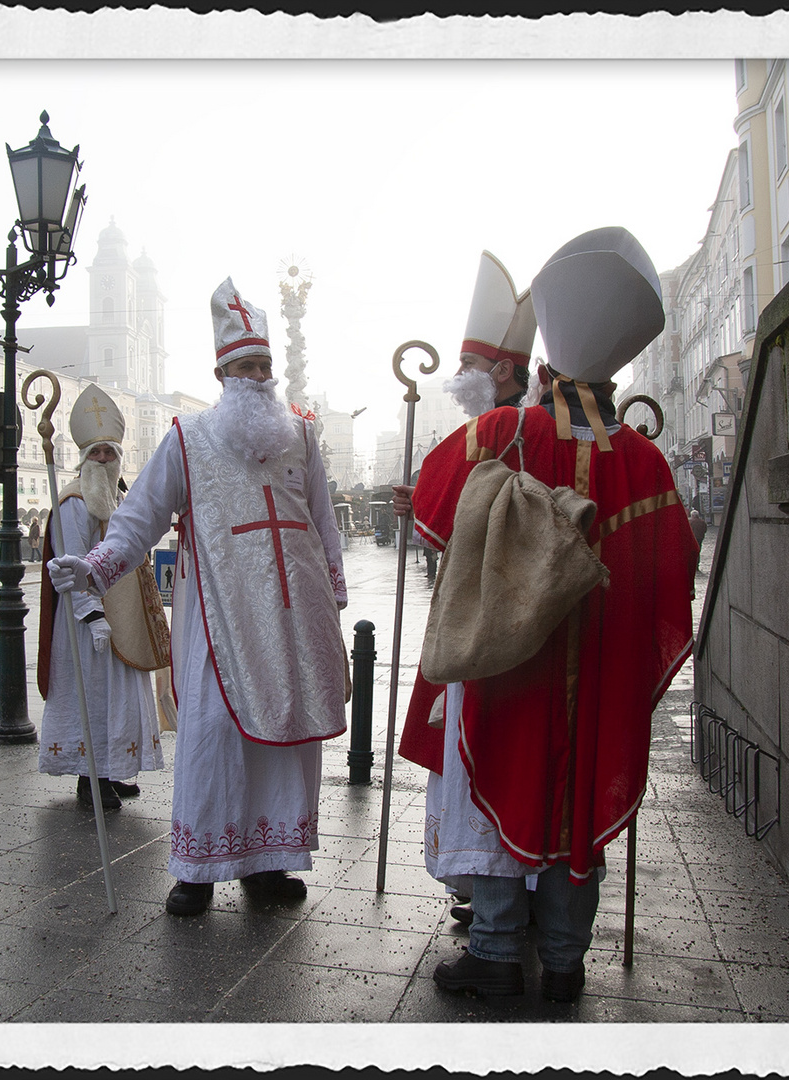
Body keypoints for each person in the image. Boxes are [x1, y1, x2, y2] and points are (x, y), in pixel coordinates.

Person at [401, 228, 696, 1002]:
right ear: (613, 370)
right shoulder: (645, 461)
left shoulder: (500, 434)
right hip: (595, 669)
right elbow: (673, 574)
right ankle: (564, 961)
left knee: (497, 779)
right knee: (577, 793)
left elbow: (432, 517)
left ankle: (498, 950)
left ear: (541, 368)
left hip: (507, 662)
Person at [49, 277, 350, 917]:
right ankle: (198, 871)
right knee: (214, 733)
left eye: (265, 366)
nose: (259, 376)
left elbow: (323, 519)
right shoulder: (189, 437)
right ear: (222, 373)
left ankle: (270, 863)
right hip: (220, 619)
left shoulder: (301, 436)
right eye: (246, 366)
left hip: (295, 621)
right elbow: (140, 515)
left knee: (286, 742)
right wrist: (97, 566)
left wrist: (334, 590)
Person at [392, 251, 540, 931]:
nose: (460, 380)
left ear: (504, 371)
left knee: (474, 752)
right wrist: (420, 498)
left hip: (482, 623)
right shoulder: (544, 429)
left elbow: (439, 499)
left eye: (472, 368)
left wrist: (419, 495)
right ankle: (517, 892)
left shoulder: (496, 429)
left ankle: (486, 897)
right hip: (531, 621)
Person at [37, 386, 168, 810]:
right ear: (83, 457)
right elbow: (69, 563)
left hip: (123, 617)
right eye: (96, 454)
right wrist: (91, 616)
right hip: (85, 623)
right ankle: (88, 778)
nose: (104, 461)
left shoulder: (119, 499)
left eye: (110, 453)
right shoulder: (73, 503)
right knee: (90, 697)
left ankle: (113, 769)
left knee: (122, 697)